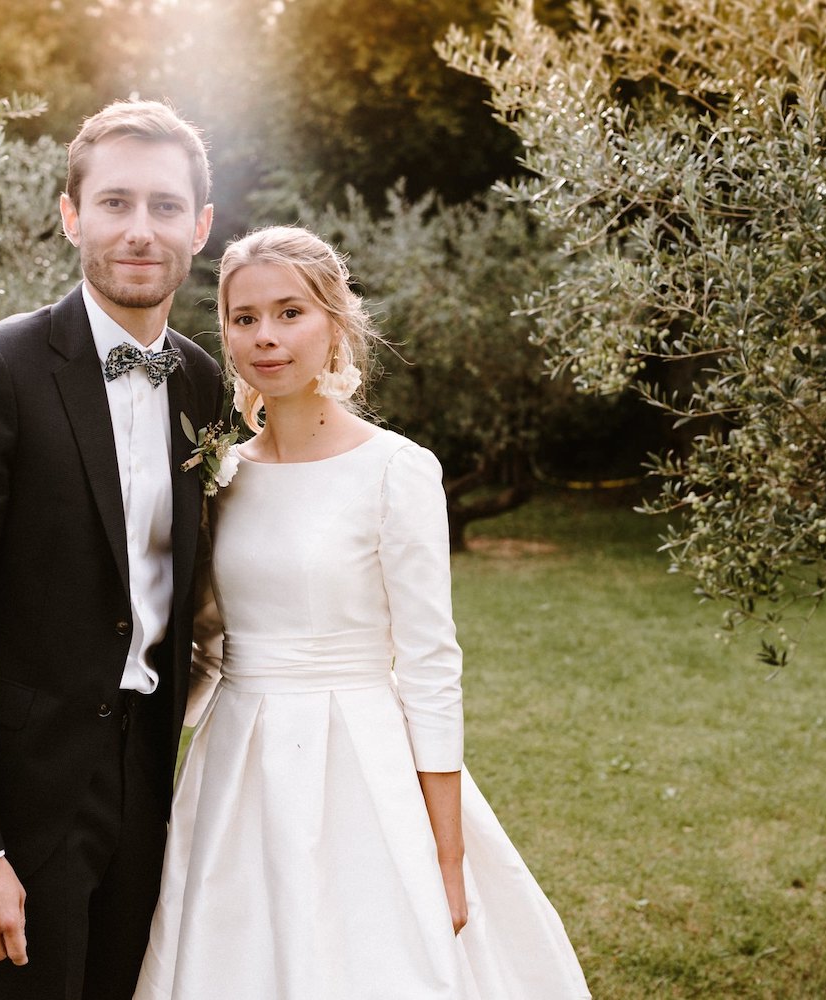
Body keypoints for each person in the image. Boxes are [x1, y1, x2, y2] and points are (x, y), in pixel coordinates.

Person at [134, 226, 590, 999]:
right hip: (236, 766)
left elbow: (431, 668)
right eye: (245, 318)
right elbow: (195, 632)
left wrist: (447, 858)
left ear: (336, 324)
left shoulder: (395, 471)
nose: (266, 336)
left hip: (360, 762)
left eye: (290, 313)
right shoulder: (218, 476)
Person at [0, 99, 222, 1000]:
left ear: (199, 226)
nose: (140, 230)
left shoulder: (202, 383)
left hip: (151, 783)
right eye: (114, 203)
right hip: (22, 797)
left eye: (164, 206)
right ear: (72, 216)